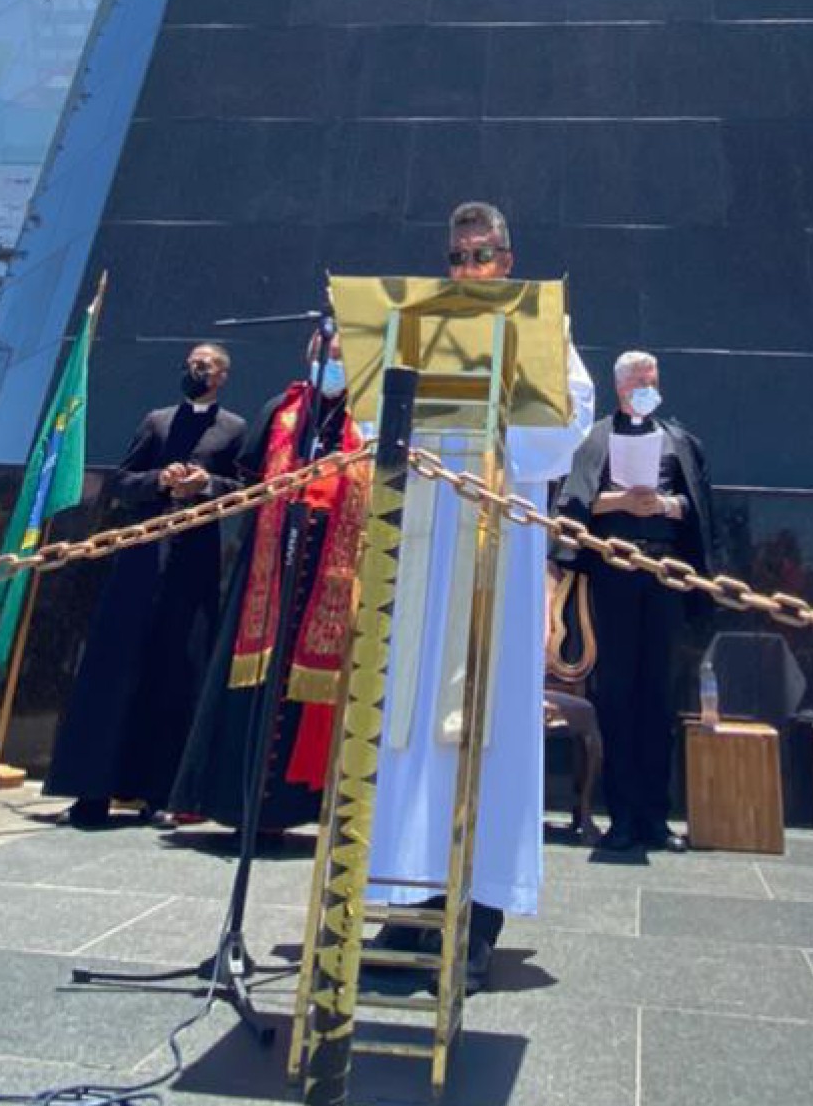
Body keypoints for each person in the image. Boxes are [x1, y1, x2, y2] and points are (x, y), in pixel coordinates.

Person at [371, 200, 592, 991]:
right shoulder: (417, 325)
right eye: (458, 256)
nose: (469, 268)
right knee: (409, 718)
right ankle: (409, 898)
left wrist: (493, 415)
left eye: (482, 254)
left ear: (508, 259)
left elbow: (568, 421)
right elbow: (376, 417)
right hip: (426, 546)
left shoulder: (544, 326)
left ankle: (476, 910)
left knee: (487, 722)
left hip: (498, 541)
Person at [169, 329, 366, 835]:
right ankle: (231, 799)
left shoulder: (368, 416)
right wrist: (206, 485)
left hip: (334, 566)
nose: (332, 363)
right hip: (270, 558)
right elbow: (245, 482)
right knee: (250, 682)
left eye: (341, 356)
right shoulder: (281, 409)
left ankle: (294, 806)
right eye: (324, 354)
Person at [44, 341, 245, 826]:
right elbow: (121, 482)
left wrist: (205, 484)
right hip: (141, 556)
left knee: (178, 669)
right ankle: (92, 790)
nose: (196, 370)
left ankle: (162, 792)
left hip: (194, 559)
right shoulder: (156, 421)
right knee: (117, 666)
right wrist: (159, 481)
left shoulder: (234, 429)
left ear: (222, 375)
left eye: (206, 365)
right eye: (192, 363)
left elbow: (242, 489)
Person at [559, 350, 715, 853]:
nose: (648, 389)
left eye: (653, 381)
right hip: (615, 571)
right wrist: (621, 501)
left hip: (666, 571)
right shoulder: (596, 439)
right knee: (618, 691)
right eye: (639, 382)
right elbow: (576, 502)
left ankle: (656, 816)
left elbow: (697, 504)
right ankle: (622, 815)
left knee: (660, 691)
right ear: (620, 387)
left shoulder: (679, 440)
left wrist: (663, 504)